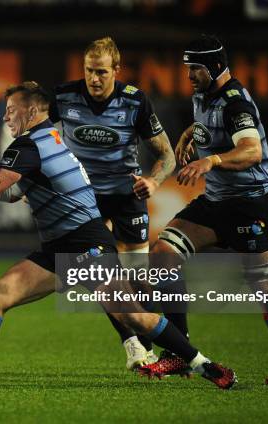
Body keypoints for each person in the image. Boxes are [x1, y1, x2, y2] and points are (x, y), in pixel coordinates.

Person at [0, 81, 235, 389]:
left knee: (134, 316)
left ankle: (202, 363)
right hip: (59, 246)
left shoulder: (30, 145)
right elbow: (10, 190)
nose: (6, 115)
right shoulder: (47, 138)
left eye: (11, 108)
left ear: (32, 111)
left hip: (85, 243)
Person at [139, 35, 268, 386]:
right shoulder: (205, 94)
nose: (189, 76)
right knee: (163, 253)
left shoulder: (235, 104)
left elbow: (251, 151)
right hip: (216, 202)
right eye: (188, 68)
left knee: (264, 288)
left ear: (213, 67)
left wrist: (210, 160)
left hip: (250, 205)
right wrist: (190, 135)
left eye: (195, 69)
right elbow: (209, 127)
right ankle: (178, 355)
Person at [50, 37, 176, 370]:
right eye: (90, 71)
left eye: (102, 72)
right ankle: (132, 343)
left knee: (138, 280)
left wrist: (154, 180)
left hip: (126, 198)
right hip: (83, 199)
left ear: (116, 70)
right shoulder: (63, 97)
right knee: (101, 277)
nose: (94, 79)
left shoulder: (135, 102)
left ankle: (150, 344)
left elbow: (166, 154)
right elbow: (36, 137)